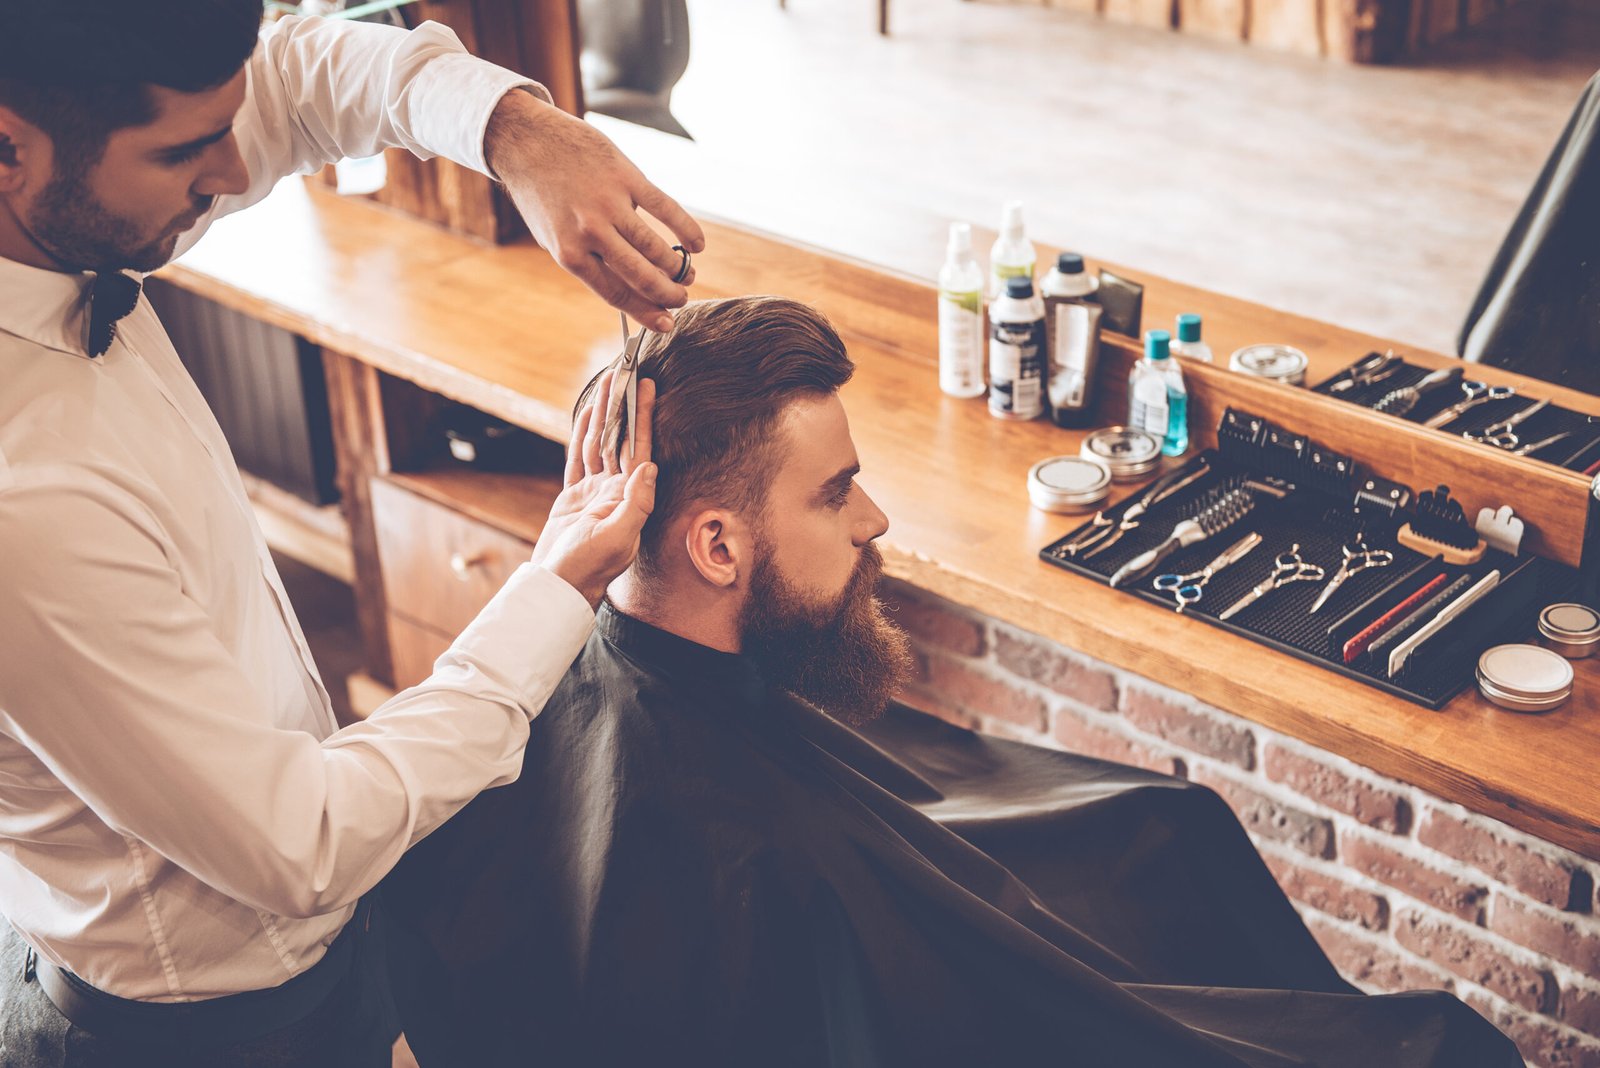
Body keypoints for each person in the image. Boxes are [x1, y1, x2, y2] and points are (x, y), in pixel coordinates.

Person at [383, 296, 1524, 1068]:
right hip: (848, 894)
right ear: (719, 549)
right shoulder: (769, 860)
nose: (874, 519)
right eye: (836, 494)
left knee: (1167, 824)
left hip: (813, 834)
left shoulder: (545, 665)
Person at [0, 0, 700, 1062]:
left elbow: (296, 74)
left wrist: (520, 130)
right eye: (186, 150)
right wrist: (552, 587)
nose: (234, 172)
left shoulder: (63, 208)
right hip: (198, 1030)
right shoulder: (26, 505)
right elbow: (303, 842)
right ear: (8, 147)